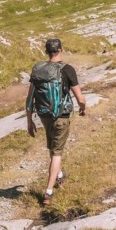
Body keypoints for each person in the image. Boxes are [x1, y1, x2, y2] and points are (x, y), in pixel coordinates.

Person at [26, 38, 86, 206]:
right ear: (61, 50)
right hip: (61, 115)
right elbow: (80, 98)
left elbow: (29, 98)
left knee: (53, 146)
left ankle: (59, 175)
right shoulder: (67, 69)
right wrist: (83, 108)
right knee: (57, 152)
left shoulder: (38, 69)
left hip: (44, 115)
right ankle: (49, 191)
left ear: (46, 52)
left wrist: (29, 120)